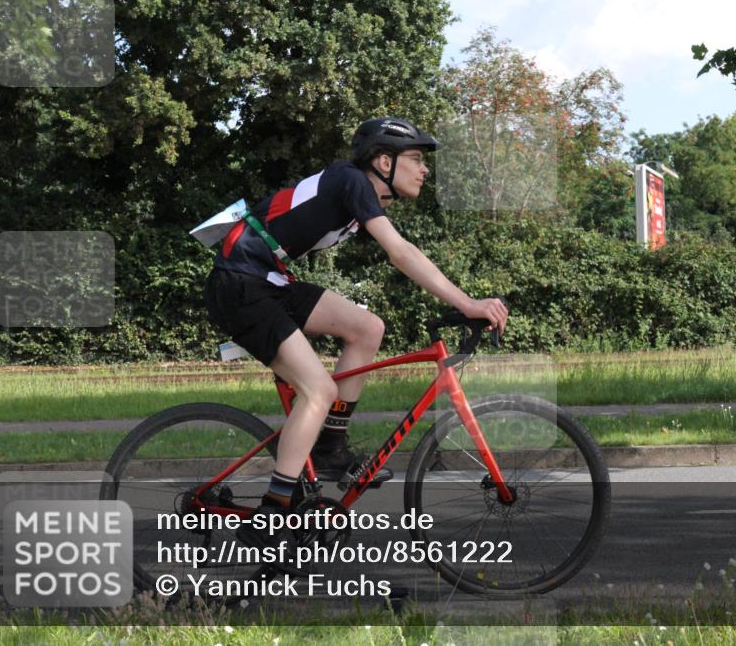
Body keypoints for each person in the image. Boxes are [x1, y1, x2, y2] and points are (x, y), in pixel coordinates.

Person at [203, 117, 508, 544]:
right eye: (416, 159)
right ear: (384, 160)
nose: (424, 170)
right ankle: (271, 513)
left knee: (367, 328)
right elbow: (401, 253)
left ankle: (330, 448)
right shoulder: (351, 181)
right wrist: (468, 303)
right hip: (241, 284)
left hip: (268, 281)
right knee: (319, 390)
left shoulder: (360, 195)